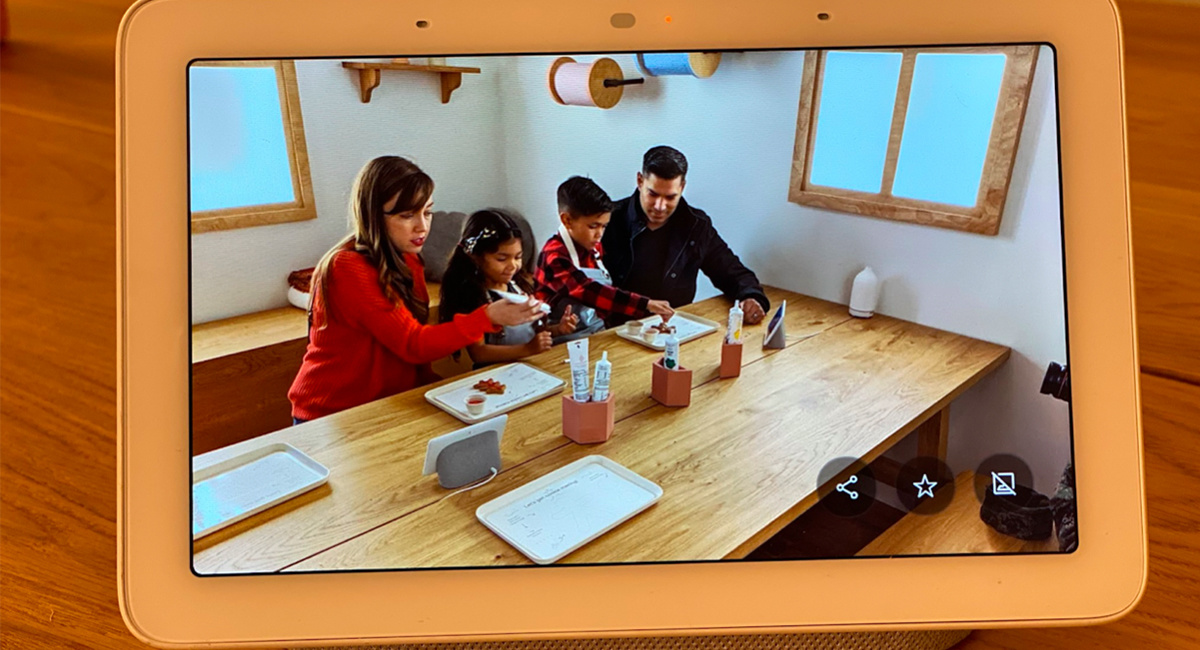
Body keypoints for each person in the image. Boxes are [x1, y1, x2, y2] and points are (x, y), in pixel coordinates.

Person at [287, 156, 543, 424]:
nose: (422, 226)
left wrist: (441, 391)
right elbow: (413, 344)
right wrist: (487, 317)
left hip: (387, 405)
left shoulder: (409, 259)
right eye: (407, 215)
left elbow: (413, 357)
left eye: (427, 212)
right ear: (373, 214)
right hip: (333, 414)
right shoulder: (347, 267)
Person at [601, 146, 770, 326]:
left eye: (670, 197)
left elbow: (730, 270)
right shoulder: (607, 220)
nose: (660, 206)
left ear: (682, 187)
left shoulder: (696, 225)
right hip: (616, 329)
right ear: (640, 181)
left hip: (674, 330)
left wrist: (751, 296)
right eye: (653, 194)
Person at [535, 176, 675, 342]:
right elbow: (590, 291)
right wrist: (645, 304)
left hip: (595, 332)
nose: (599, 234)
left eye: (604, 226)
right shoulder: (554, 256)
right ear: (567, 220)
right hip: (560, 341)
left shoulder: (593, 247)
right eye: (593, 226)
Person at [438, 209, 579, 367]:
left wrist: (558, 329)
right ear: (475, 257)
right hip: (494, 373)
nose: (513, 266)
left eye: (518, 257)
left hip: (529, 365)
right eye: (502, 259)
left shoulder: (518, 286)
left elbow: (534, 332)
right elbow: (479, 353)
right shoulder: (473, 296)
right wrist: (527, 349)